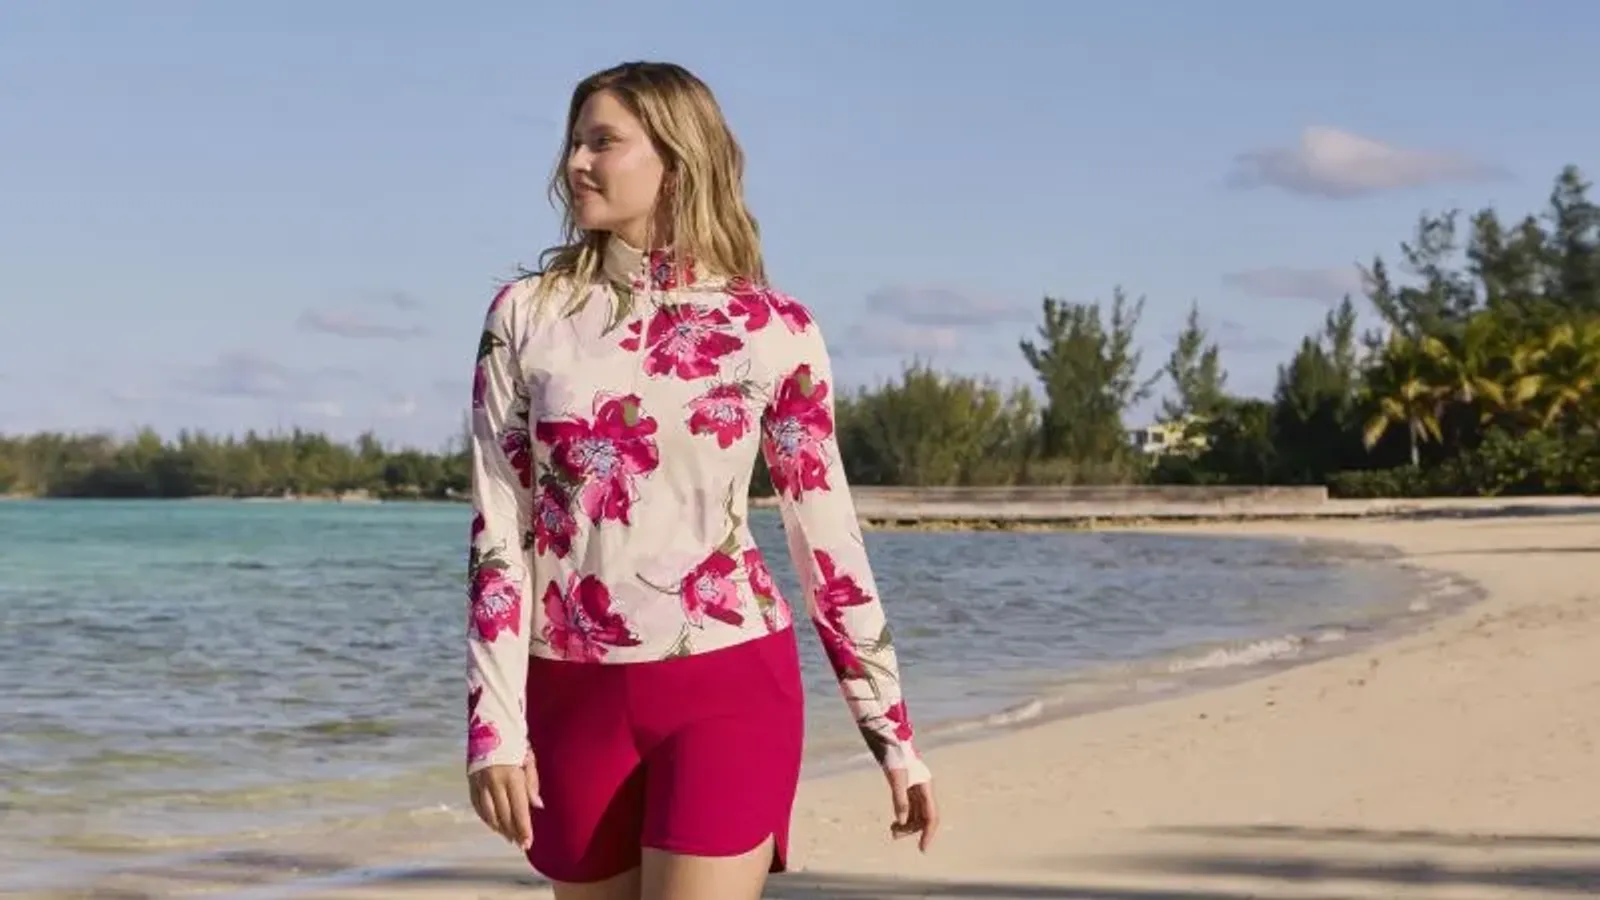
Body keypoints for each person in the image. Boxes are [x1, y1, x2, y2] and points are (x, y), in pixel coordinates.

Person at [463, 60, 938, 900]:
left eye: (602, 141)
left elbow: (825, 536)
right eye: (574, 140)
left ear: (675, 161)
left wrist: (890, 731)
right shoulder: (526, 316)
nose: (575, 161)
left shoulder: (773, 329)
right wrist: (492, 727)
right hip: (572, 693)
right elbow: (500, 531)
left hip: (727, 681)